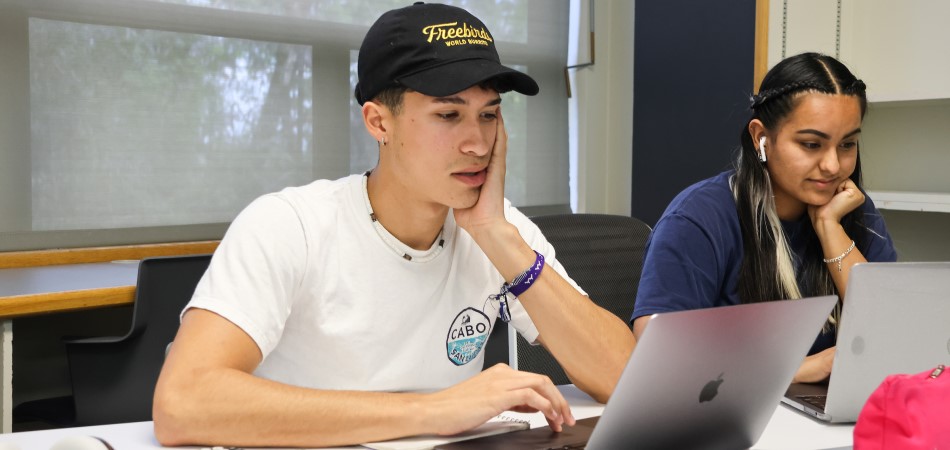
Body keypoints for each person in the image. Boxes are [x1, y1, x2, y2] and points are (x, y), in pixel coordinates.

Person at [153, 3, 636, 448]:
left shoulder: (500, 228)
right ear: (379, 123)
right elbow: (183, 403)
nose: (477, 143)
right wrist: (432, 410)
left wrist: (496, 237)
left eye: (489, 115)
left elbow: (625, 379)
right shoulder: (290, 225)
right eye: (449, 114)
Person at [631, 52, 897, 384]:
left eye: (847, 144)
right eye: (811, 144)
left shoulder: (853, 210)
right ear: (761, 138)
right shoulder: (699, 217)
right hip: (729, 416)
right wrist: (792, 371)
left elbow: (893, 337)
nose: (832, 165)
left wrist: (831, 230)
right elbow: (657, 354)